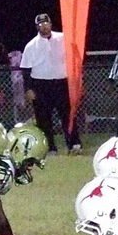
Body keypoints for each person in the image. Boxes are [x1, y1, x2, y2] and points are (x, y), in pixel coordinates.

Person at [19, 12, 82, 153]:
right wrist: (28, 89)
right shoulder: (31, 46)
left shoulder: (63, 38)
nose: (45, 27)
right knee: (43, 118)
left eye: (46, 24)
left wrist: (76, 78)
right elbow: (26, 69)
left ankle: (74, 144)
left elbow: (75, 56)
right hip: (41, 84)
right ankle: (49, 146)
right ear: (37, 27)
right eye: (41, 25)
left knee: (67, 114)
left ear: (51, 24)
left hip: (61, 82)